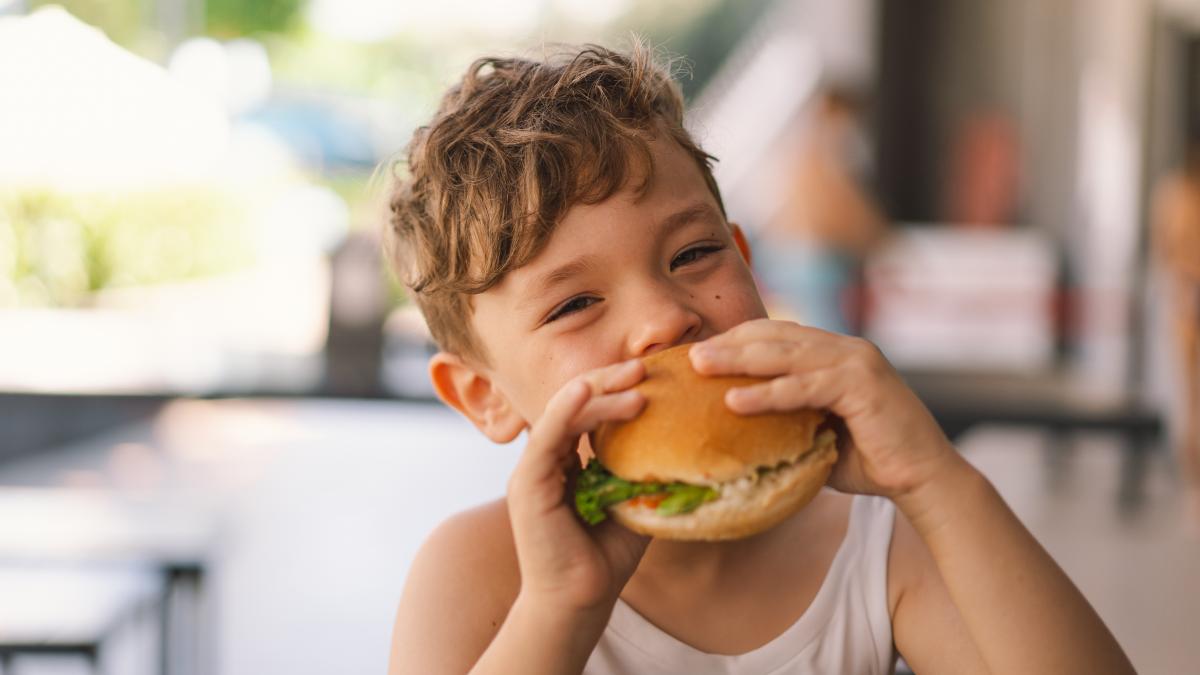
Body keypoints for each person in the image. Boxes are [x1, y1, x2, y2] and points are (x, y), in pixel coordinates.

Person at [384, 43, 1134, 674]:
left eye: (695, 253)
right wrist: (559, 611)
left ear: (749, 268)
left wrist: (936, 482)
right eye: (574, 303)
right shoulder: (479, 573)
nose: (665, 317)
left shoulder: (877, 540)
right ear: (483, 393)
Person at [1152, 144, 1200, 490]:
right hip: (1185, 291)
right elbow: (1165, 245)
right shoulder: (1174, 193)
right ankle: (1190, 454)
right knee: (1186, 381)